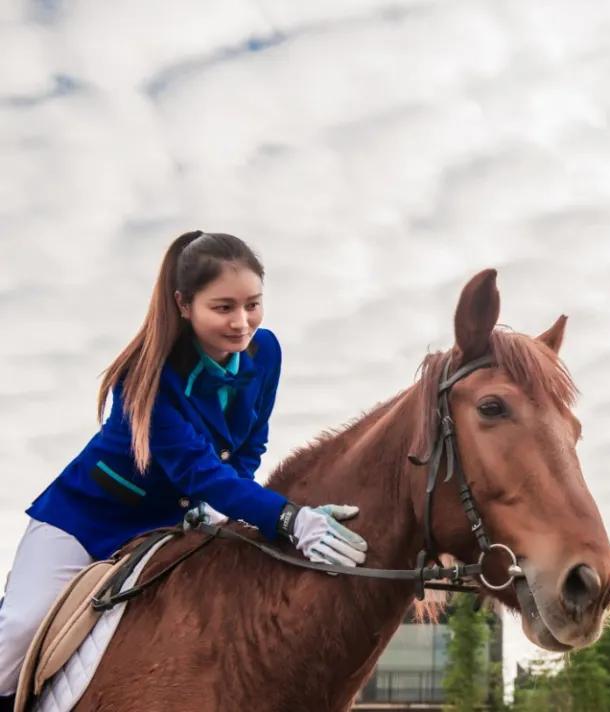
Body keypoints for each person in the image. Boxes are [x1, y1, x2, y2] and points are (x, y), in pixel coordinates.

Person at [0, 231, 369, 709]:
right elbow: (202, 474)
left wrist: (237, 513)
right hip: (86, 522)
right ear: (183, 304)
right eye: (223, 308)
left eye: (253, 304)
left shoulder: (266, 352)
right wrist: (289, 518)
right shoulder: (144, 377)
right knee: (18, 632)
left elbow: (248, 448)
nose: (242, 324)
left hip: (176, 521)